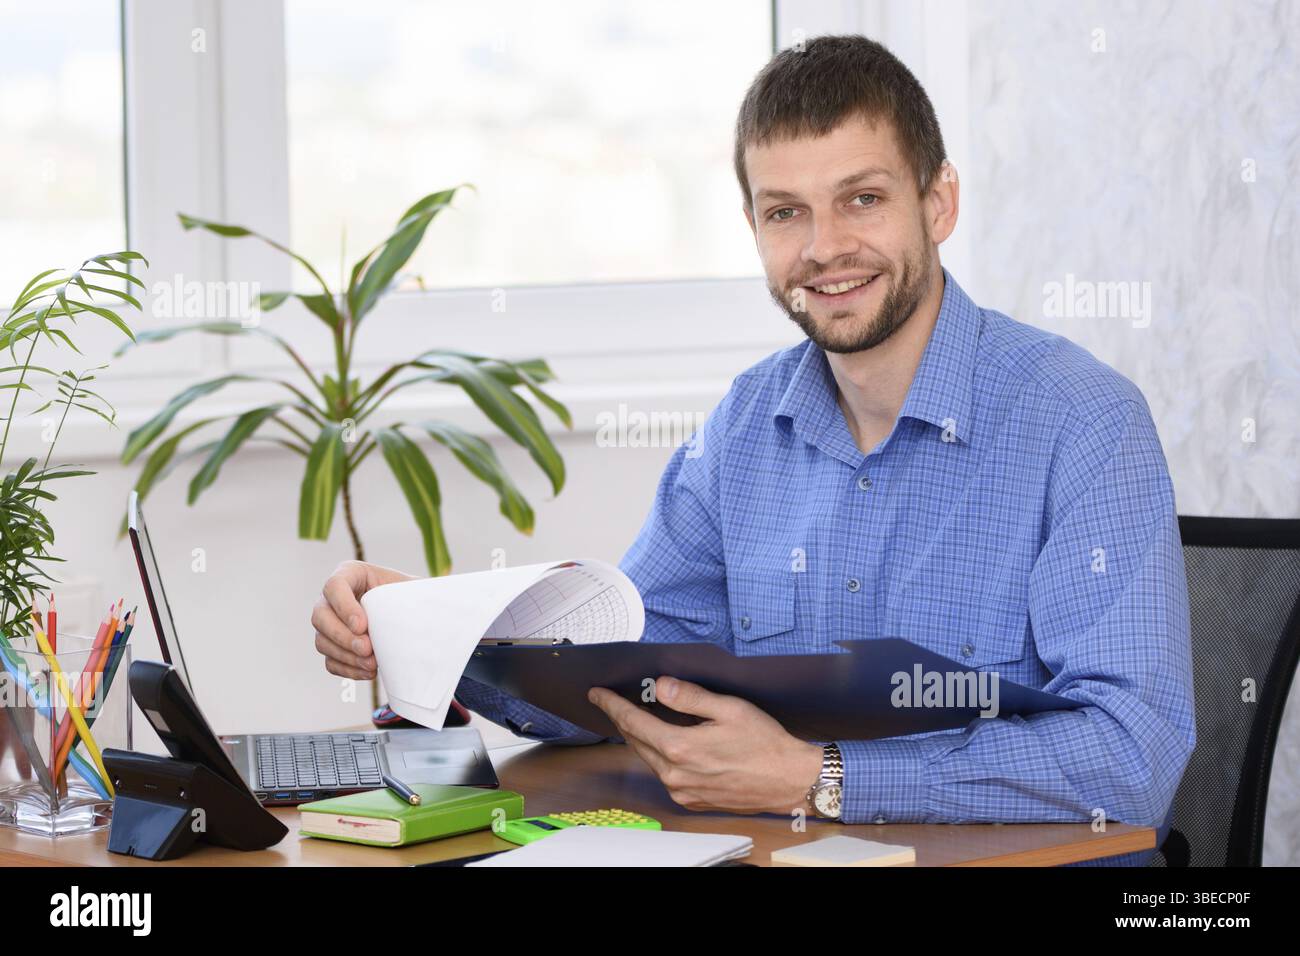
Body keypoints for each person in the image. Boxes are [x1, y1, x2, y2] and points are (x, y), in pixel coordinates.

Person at [311, 35, 1194, 864]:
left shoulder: (1085, 421)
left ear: (939, 201)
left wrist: (824, 779)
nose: (824, 248)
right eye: (786, 212)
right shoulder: (746, 423)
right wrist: (438, 632)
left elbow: (1134, 750)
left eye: (863, 198)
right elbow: (623, 674)